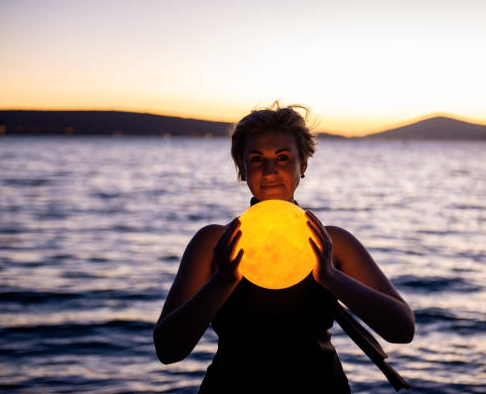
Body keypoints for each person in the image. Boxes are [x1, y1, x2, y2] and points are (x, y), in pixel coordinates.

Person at [153, 103, 415, 393]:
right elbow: (168, 350)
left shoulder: (334, 243)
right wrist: (223, 280)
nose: (269, 170)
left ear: (302, 164)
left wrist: (330, 276)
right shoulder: (213, 243)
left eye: (282, 157)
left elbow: (402, 329)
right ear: (242, 168)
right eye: (255, 159)